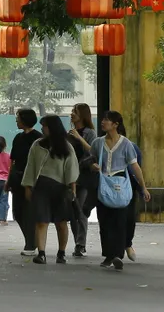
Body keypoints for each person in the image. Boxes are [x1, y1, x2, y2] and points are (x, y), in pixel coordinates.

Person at [90, 110, 150, 271]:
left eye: (107, 120)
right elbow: (89, 158)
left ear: (116, 124)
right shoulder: (98, 143)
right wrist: (92, 165)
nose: (103, 122)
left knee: (120, 221)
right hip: (103, 183)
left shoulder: (126, 144)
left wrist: (143, 187)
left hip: (120, 184)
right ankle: (108, 254)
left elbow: (135, 166)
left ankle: (117, 255)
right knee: (105, 221)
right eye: (103, 119)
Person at [22, 115, 80, 264]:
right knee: (41, 221)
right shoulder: (37, 145)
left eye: (45, 126)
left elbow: (71, 169)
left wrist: (72, 189)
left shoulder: (66, 147)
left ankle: (61, 253)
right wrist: (28, 186)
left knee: (61, 222)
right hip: (41, 188)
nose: (42, 128)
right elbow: (30, 167)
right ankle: (41, 253)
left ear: (53, 127)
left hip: (61, 188)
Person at [8, 108, 43, 256]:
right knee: (17, 212)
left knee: (29, 213)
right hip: (17, 179)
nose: (16, 120)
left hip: (32, 180)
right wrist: (8, 180)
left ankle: (30, 244)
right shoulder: (18, 138)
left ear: (25, 119)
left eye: (18, 117)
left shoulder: (38, 138)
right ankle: (31, 240)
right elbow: (13, 161)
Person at [66, 103, 98, 258]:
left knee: (81, 211)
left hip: (84, 177)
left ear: (83, 115)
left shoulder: (90, 133)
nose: (72, 113)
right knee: (73, 212)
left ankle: (80, 244)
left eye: (75, 111)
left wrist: (78, 137)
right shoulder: (69, 133)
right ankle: (78, 242)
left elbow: (93, 151)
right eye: (72, 111)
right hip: (71, 176)